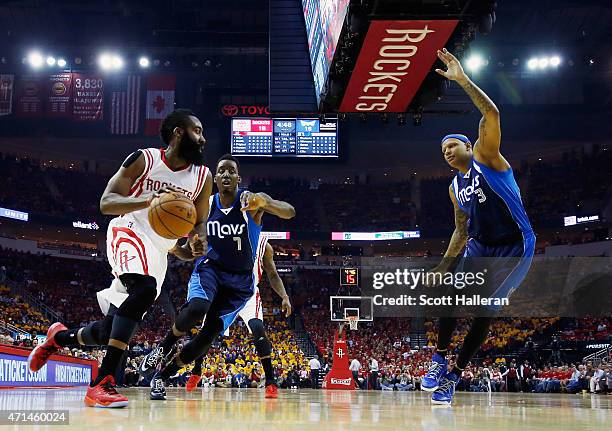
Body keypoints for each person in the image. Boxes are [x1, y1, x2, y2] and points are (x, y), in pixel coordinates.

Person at [27, 109, 212, 408]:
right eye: (198, 131)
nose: (203, 138)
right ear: (179, 132)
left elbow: (198, 221)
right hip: (129, 229)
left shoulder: (203, 176)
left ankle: (57, 338)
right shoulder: (145, 159)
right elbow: (107, 202)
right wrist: (149, 201)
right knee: (145, 289)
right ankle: (102, 382)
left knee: (107, 330)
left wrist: (194, 241)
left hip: (161, 251)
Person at [421, 48, 535, 406]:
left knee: (485, 309)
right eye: (443, 151)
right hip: (481, 246)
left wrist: (461, 80)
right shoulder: (454, 188)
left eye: (452, 145)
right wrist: (442, 266)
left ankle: (454, 376)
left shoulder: (488, 158)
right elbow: (460, 230)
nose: (448, 152)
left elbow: (491, 113)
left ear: (469, 145)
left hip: (514, 246)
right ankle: (440, 358)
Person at [147, 154, 295, 400]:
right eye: (221, 170)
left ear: (239, 178)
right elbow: (186, 251)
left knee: (207, 338)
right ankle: (164, 346)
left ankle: (162, 376)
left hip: (241, 285)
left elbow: (289, 211)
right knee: (197, 308)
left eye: (231, 171)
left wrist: (262, 202)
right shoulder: (203, 206)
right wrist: (175, 247)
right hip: (210, 271)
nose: (226, 174)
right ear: (215, 178)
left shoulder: (252, 204)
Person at [185, 241, 293, 397]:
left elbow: (273, 274)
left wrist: (284, 296)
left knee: (258, 330)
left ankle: (270, 381)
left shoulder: (264, 245)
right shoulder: (227, 233)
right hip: (226, 292)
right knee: (206, 333)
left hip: (248, 294)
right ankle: (196, 370)